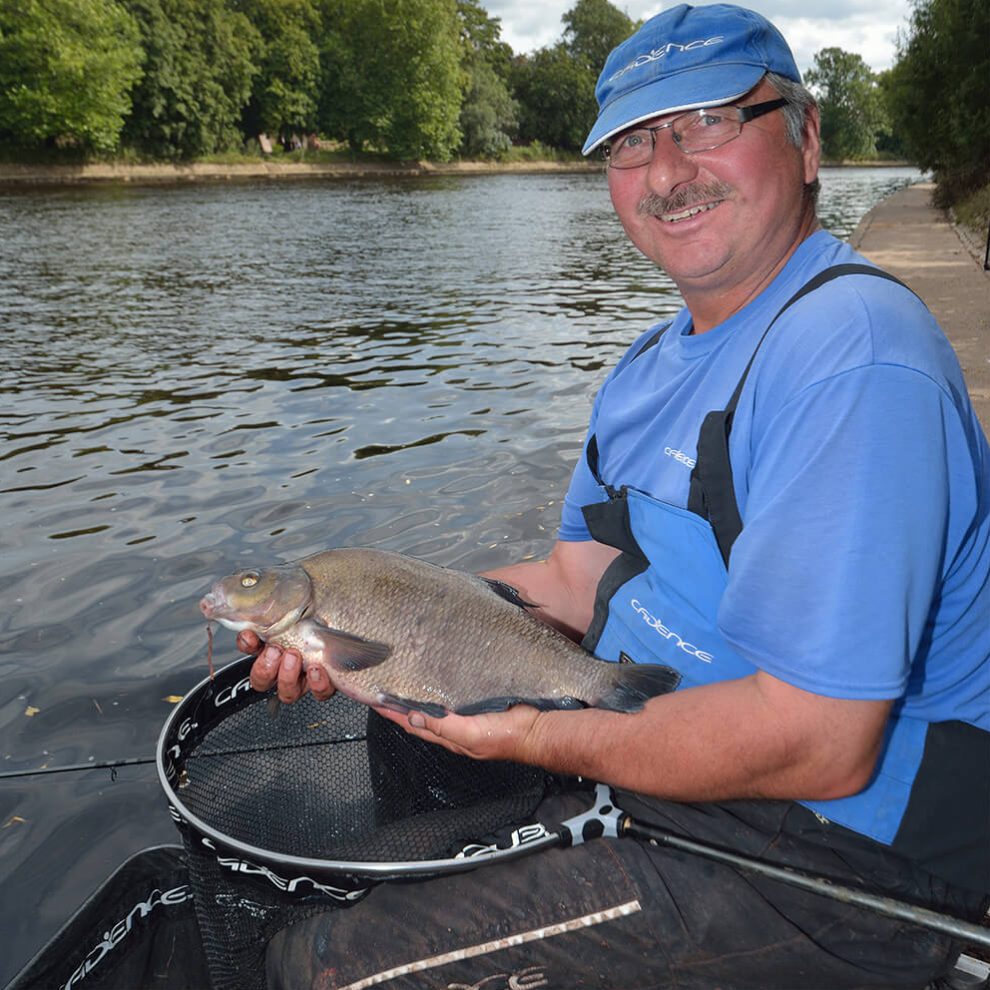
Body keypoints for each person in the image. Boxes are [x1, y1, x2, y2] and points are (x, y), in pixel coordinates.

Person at [244, 5, 990, 988]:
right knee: (412, 735)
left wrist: (537, 734)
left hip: (841, 858)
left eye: (708, 122)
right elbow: (573, 574)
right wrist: (361, 614)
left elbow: (820, 746)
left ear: (807, 139)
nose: (669, 169)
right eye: (635, 142)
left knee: (323, 966)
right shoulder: (649, 366)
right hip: (674, 762)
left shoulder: (849, 354)